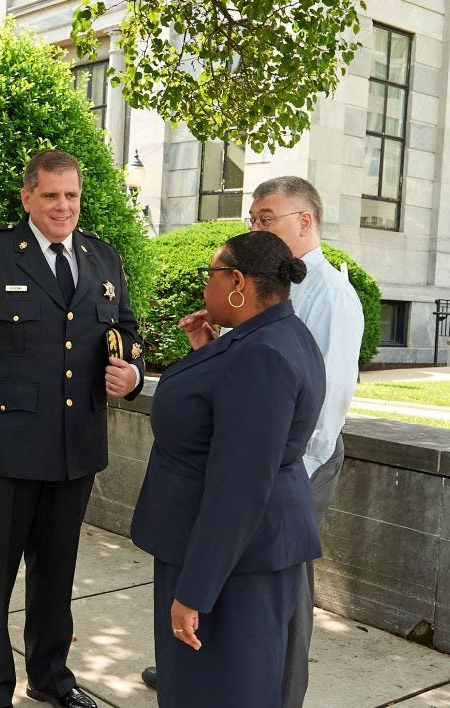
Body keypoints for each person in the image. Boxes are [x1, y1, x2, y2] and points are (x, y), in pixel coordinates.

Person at [142, 176, 363, 704]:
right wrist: (207, 352)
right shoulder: (267, 333)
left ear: (238, 282)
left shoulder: (268, 348)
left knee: (230, 684)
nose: (204, 287)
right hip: (228, 542)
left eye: (211, 276)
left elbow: (240, 482)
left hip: (238, 550)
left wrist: (195, 591)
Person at [0, 149, 145, 708]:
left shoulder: (104, 258)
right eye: (51, 195)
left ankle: (52, 679)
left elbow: (128, 332)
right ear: (27, 197)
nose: (63, 206)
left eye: (71, 195)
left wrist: (131, 374)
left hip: (75, 447)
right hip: (4, 451)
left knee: (56, 575)